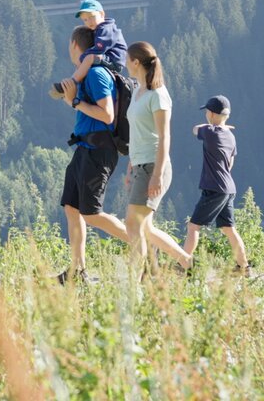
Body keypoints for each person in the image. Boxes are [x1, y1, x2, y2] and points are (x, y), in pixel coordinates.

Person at [57, 25, 130, 284]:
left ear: (76, 45)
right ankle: (77, 270)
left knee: (91, 212)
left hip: (99, 151)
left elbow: (107, 114)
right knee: (72, 207)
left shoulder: (97, 74)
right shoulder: (86, 74)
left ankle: (140, 242)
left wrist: (75, 102)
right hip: (84, 149)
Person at [122, 42, 193, 279]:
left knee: (133, 223)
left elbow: (164, 137)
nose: (124, 62)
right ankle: (186, 261)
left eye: (126, 59)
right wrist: (131, 164)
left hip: (154, 165)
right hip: (140, 164)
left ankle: (135, 280)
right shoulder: (138, 92)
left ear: (136, 62)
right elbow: (138, 131)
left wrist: (157, 174)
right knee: (145, 227)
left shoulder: (159, 95)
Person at [184, 95, 251, 277]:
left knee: (193, 227)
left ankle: (184, 265)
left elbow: (194, 129)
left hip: (214, 188)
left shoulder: (209, 132)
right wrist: (223, 127)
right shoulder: (230, 136)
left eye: (207, 111)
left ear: (212, 114)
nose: (206, 113)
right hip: (229, 188)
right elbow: (230, 164)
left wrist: (213, 127)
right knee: (229, 229)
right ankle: (243, 267)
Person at [50, 0, 128, 99]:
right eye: (85, 20)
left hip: (114, 60)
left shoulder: (106, 29)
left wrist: (84, 56)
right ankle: (70, 86)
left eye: (92, 17)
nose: (89, 22)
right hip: (109, 58)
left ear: (102, 14)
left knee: (89, 58)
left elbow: (99, 48)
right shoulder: (100, 29)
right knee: (86, 63)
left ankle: (72, 83)